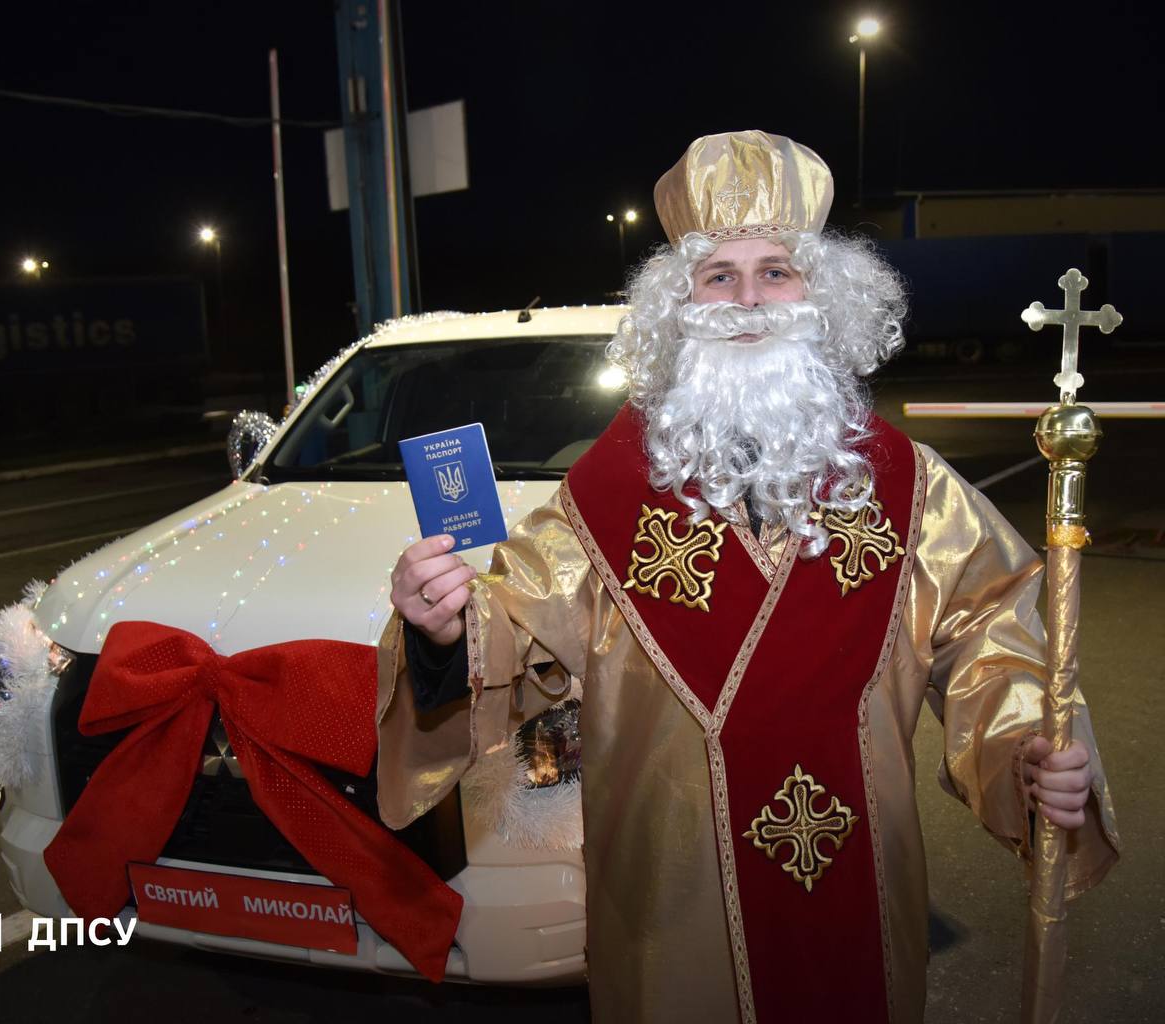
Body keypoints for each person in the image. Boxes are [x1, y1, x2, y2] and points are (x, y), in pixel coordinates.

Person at [375, 131, 1119, 1023]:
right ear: (678, 306)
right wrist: (444, 630)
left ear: (823, 295)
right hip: (665, 896)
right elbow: (515, 622)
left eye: (777, 271)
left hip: (860, 884)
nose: (748, 300)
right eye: (718, 276)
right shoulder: (605, 495)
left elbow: (995, 637)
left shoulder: (912, 489)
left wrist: (1026, 753)